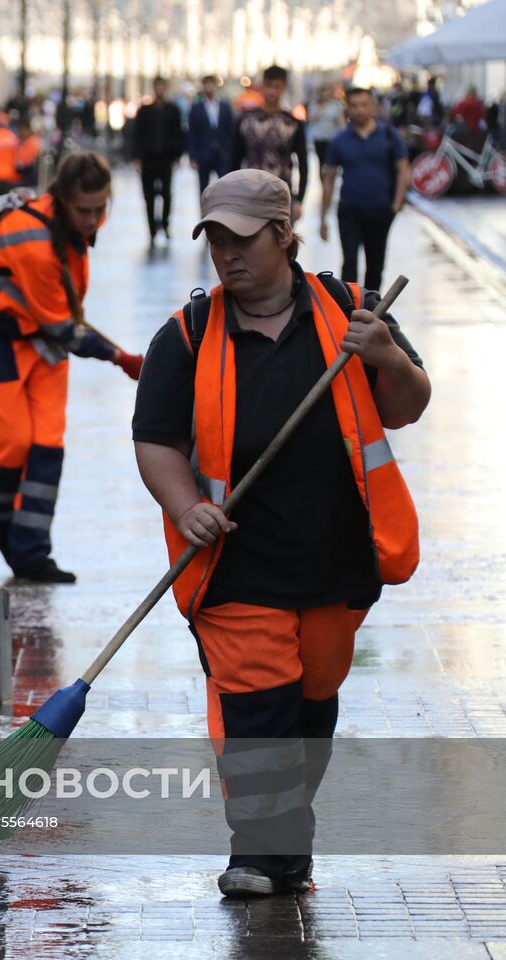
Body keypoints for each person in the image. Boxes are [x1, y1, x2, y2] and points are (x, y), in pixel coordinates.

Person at [132, 169, 429, 898]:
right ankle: (258, 854)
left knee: (312, 701)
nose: (227, 255)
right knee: (257, 703)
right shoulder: (188, 334)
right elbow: (155, 440)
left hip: (336, 561)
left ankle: (287, 839)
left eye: (242, 239)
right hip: (235, 564)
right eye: (216, 241)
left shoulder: (351, 311)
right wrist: (183, 507)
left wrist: (386, 356)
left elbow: (409, 407)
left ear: (284, 235)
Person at [0, 153, 143, 583]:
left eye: (101, 209)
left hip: (36, 339)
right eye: (85, 211)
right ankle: (3, 525)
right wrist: (120, 359)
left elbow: (61, 316)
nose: (94, 219)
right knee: (14, 441)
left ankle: (33, 552)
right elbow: (64, 327)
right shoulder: (33, 242)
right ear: (61, 200)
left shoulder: (64, 226)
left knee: (48, 443)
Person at [319, 88, 410, 293]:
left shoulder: (388, 135)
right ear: (348, 108)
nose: (359, 110)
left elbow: (403, 169)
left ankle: (371, 310)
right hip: (350, 209)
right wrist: (323, 216)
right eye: (354, 105)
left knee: (375, 264)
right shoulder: (340, 140)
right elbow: (330, 178)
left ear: (373, 107)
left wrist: (396, 204)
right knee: (349, 263)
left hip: (380, 209)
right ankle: (348, 308)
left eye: (364, 105)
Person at [231, 66, 309, 222]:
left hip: (282, 194)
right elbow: (234, 160)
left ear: (284, 87)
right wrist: (233, 196)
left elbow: (303, 163)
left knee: (282, 243)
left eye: (277, 87)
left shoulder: (293, 123)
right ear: (262, 86)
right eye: (269, 86)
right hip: (250, 194)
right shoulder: (245, 121)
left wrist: (299, 199)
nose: (272, 91)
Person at [133, 77, 185, 244]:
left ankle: (164, 223)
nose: (160, 89)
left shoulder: (173, 110)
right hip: (148, 159)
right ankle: (152, 229)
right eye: (157, 86)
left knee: (166, 194)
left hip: (165, 158)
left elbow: (179, 133)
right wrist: (137, 157)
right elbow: (137, 134)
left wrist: (177, 156)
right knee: (148, 195)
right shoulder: (144, 111)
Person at [188, 75, 234, 194]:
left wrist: (231, 153)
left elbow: (230, 131)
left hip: (222, 154)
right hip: (203, 154)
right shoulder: (196, 108)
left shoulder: (225, 107)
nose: (209, 87)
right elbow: (192, 133)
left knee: (225, 187)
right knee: (203, 189)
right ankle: (205, 212)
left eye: (211, 84)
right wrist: (192, 157)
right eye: (206, 84)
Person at [306, 84, 345, 172]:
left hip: (332, 137)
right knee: (321, 161)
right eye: (322, 91)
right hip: (318, 137)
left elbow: (341, 121)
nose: (324, 94)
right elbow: (310, 120)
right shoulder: (314, 105)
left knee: (331, 161)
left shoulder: (335, 105)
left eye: (325, 91)